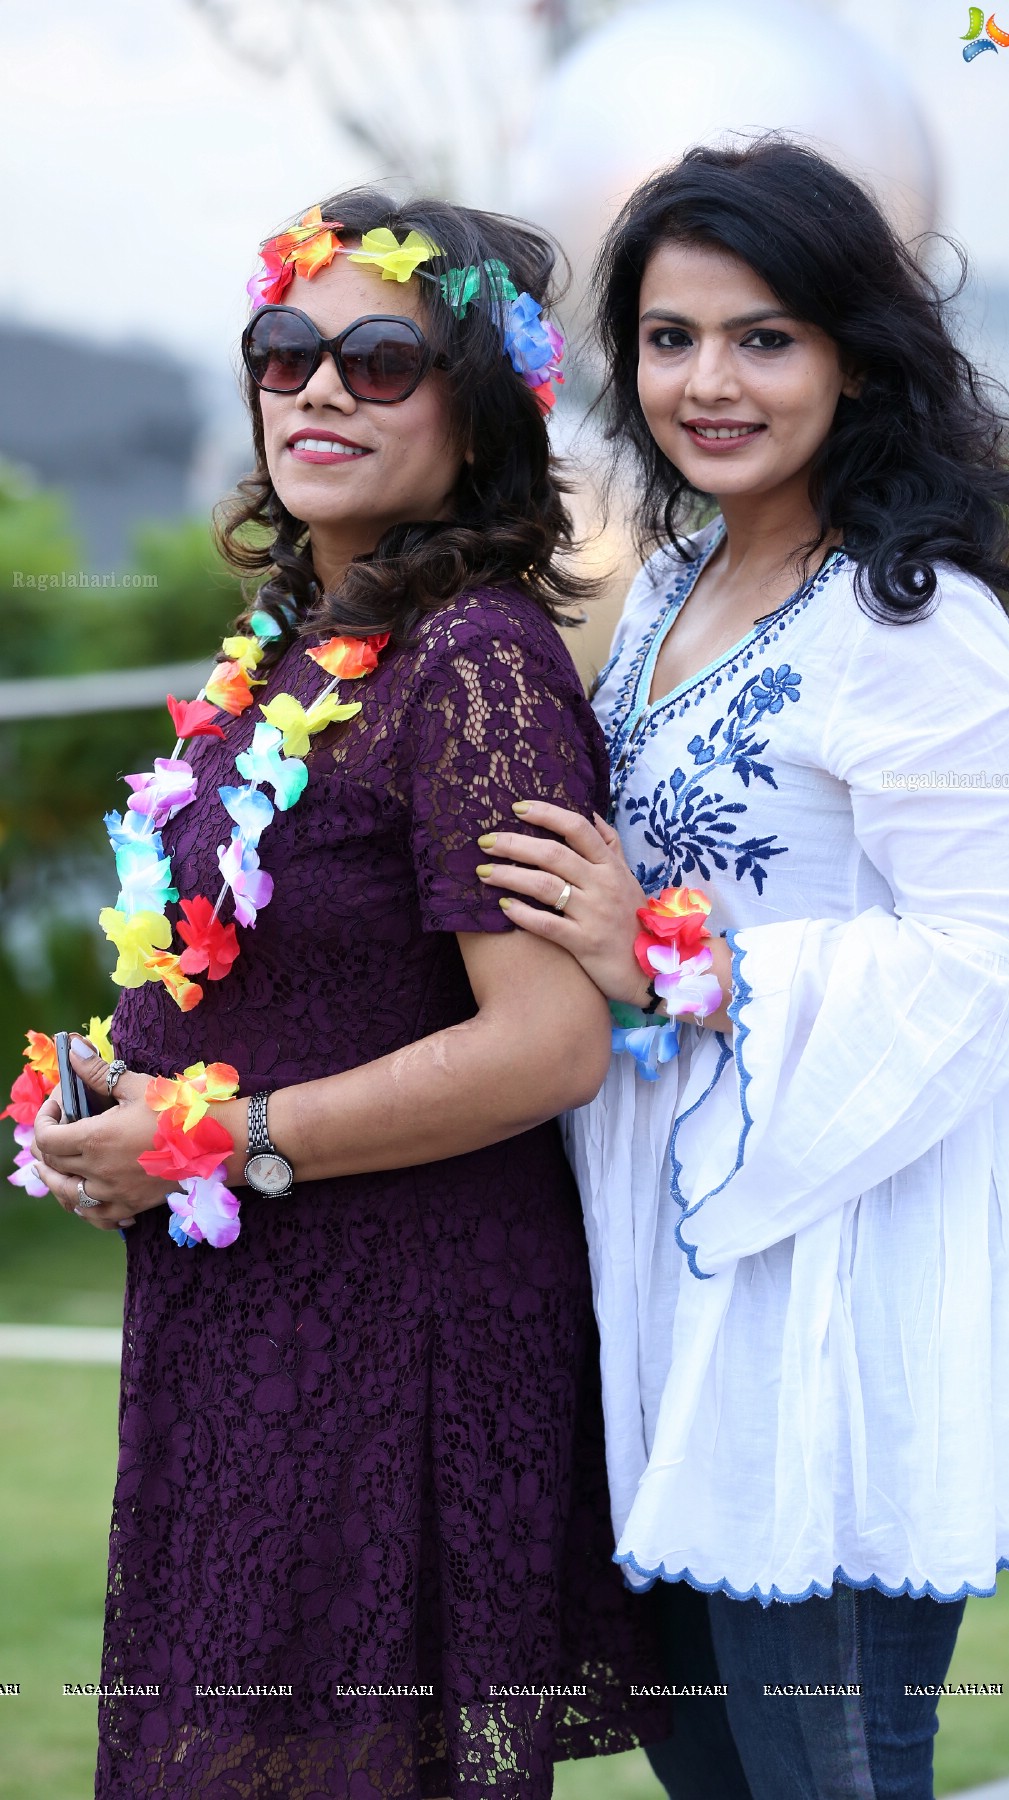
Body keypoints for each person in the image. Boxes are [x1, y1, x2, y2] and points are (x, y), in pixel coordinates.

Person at [27, 190, 666, 1800]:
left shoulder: (481, 666)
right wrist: (116, 1103)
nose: (317, 389)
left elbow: (551, 1041)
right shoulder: (299, 644)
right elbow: (273, 961)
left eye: (382, 359)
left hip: (400, 1338)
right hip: (250, 1318)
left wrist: (225, 1138)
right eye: (285, 353)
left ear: (480, 405)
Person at [475, 138, 1009, 1800]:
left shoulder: (908, 617)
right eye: (671, 338)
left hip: (841, 1265)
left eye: (765, 337)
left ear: (856, 356)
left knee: (834, 1769)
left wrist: (667, 955)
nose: (707, 382)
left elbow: (1000, 959)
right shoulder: (674, 585)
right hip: (676, 1257)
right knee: (714, 1767)